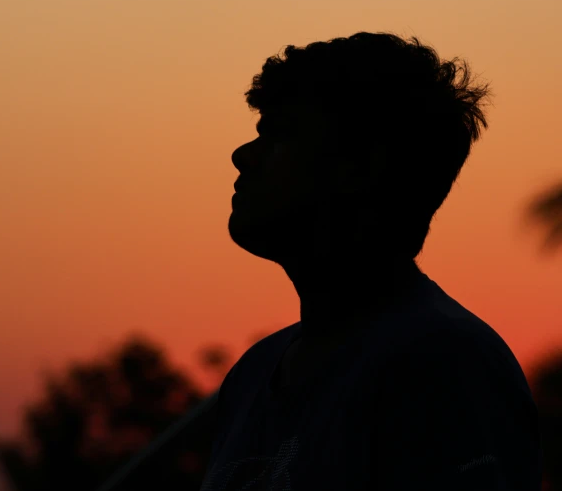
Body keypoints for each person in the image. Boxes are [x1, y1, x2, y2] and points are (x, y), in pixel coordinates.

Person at [200, 31, 542, 490]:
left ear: (361, 167)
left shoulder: (441, 366)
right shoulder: (254, 373)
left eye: (279, 136)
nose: (243, 156)